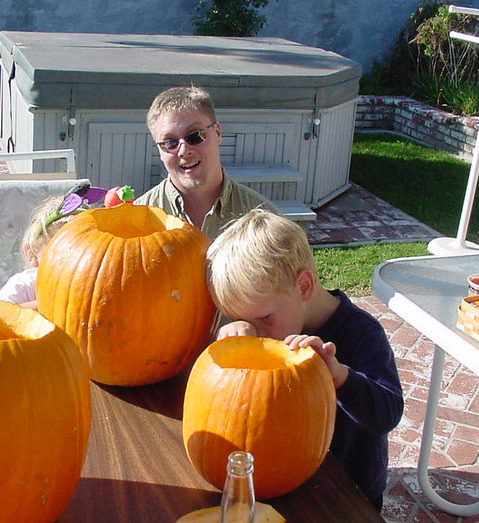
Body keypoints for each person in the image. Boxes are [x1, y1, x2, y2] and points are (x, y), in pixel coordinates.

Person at [205, 209, 404, 512]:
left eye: (263, 318)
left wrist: (339, 376)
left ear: (303, 287)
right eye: (244, 319)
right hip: (289, 480)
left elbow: (388, 412)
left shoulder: (362, 333)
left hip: (350, 489)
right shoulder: (273, 327)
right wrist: (232, 341)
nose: (257, 332)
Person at [135, 85, 280, 240]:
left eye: (195, 136)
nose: (184, 150)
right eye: (170, 142)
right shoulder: (136, 221)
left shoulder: (266, 222)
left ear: (217, 132)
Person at [0, 181, 98, 308]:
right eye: (61, 259)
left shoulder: (98, 286)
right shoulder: (25, 286)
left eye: (85, 256)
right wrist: (50, 305)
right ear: (32, 255)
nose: (73, 266)